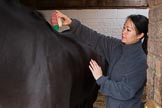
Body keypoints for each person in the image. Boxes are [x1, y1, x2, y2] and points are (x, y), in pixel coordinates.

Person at [55, 10, 148, 108]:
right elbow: (95, 38)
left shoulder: (140, 61)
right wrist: (72, 23)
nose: (123, 32)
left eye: (128, 30)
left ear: (140, 35)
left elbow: (125, 92)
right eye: (124, 27)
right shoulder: (116, 47)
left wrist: (100, 79)